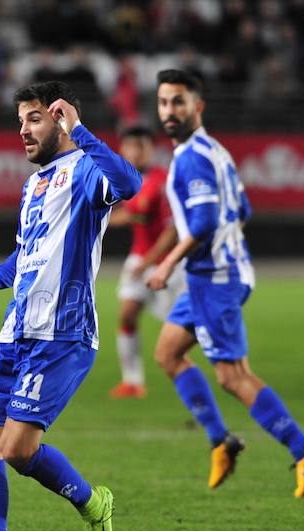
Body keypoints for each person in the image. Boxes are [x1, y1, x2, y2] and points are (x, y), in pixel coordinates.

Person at [0, 81, 142, 531]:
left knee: (17, 448)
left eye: (33, 119)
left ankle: (94, 505)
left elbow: (131, 183)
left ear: (59, 117)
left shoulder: (87, 173)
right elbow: (26, 254)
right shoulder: (34, 185)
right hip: (16, 330)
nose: (23, 131)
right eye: (20, 122)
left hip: (63, 333)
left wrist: (81, 130)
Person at [148, 69, 304, 497]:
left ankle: (303, 449)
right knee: (168, 352)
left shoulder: (191, 156)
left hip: (214, 279)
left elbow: (207, 221)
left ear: (198, 106)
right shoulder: (216, 151)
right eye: (163, 102)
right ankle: (221, 440)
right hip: (214, 274)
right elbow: (242, 209)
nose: (170, 110)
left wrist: (166, 264)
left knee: (232, 375)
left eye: (178, 102)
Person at [107, 125, 183, 399]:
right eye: (130, 146)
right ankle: (132, 382)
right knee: (126, 314)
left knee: (177, 331)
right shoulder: (129, 181)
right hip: (139, 259)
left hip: (166, 263)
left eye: (141, 146)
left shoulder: (163, 181)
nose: (135, 151)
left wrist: (148, 261)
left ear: (152, 149)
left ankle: (199, 370)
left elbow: (172, 230)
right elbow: (127, 216)